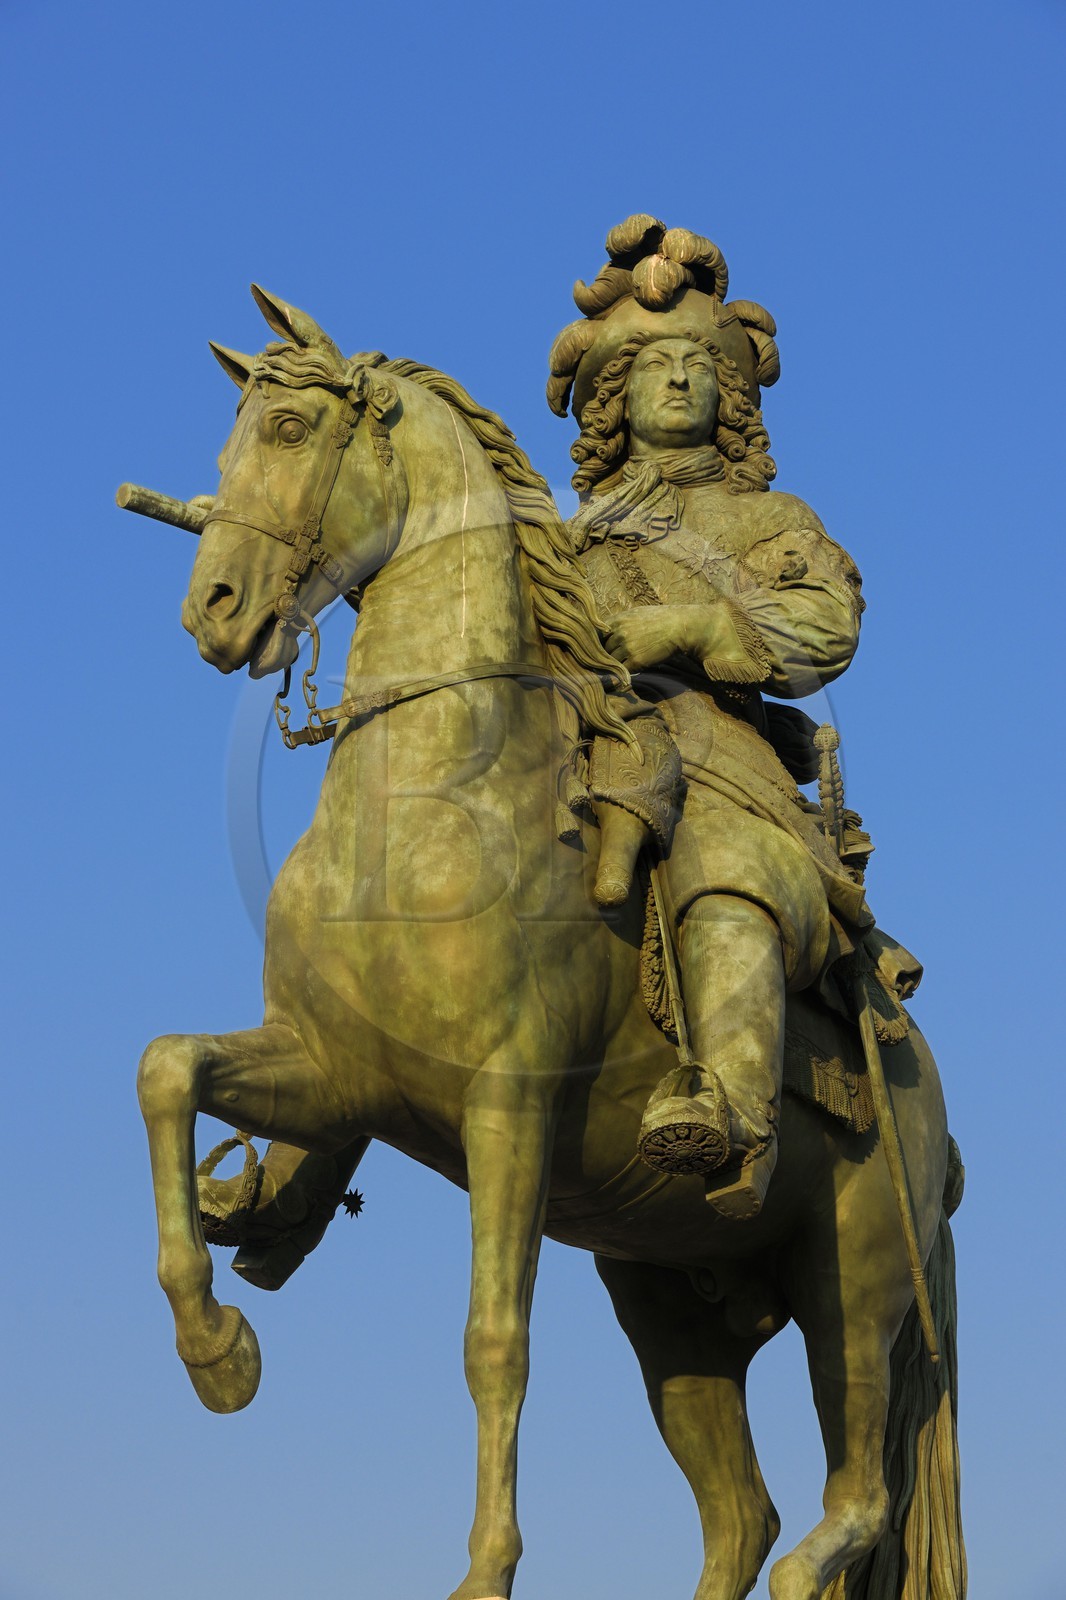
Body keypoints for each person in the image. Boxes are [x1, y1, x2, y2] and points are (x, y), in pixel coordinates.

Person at [547, 215, 874, 1215]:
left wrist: (688, 623)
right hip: (575, 747)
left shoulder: (772, 522)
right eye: (652, 367)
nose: (677, 379)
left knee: (722, 871)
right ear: (617, 397)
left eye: (696, 363)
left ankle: (734, 1109)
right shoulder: (563, 541)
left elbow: (824, 630)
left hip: (720, 762)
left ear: (726, 390)